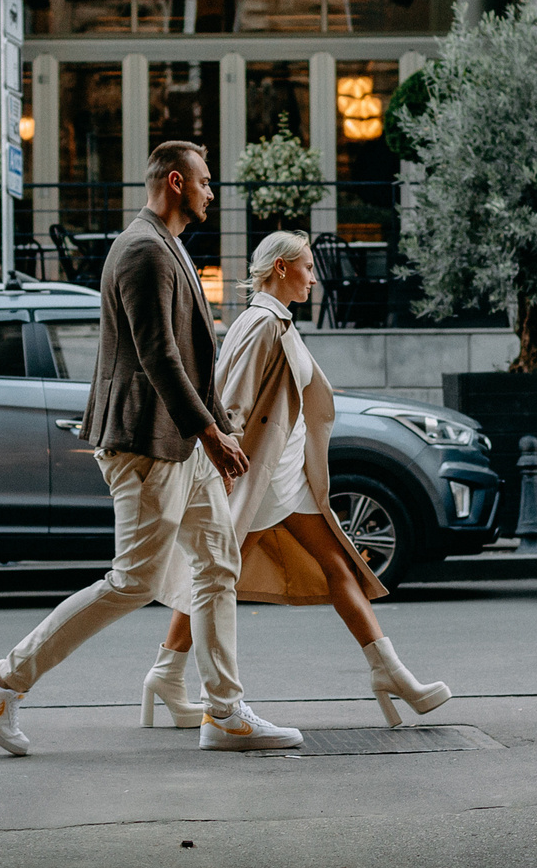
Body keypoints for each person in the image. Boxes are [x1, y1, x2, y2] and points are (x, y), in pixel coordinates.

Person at [0, 141, 305, 755]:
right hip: (148, 442)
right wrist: (213, 435)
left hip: (178, 443)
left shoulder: (164, 246)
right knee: (134, 581)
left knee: (218, 564)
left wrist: (212, 432)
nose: (210, 192)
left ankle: (224, 713)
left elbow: (188, 359)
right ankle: (3, 679)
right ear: (174, 181)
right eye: (203, 180)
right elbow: (157, 355)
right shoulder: (143, 249)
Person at [140, 229, 453, 729]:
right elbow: (232, 399)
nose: (314, 277)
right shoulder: (262, 322)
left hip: (286, 476)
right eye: (306, 266)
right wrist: (225, 460)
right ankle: (170, 673)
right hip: (262, 478)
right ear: (281, 268)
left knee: (335, 568)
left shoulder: (278, 320)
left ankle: (389, 672)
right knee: (220, 574)